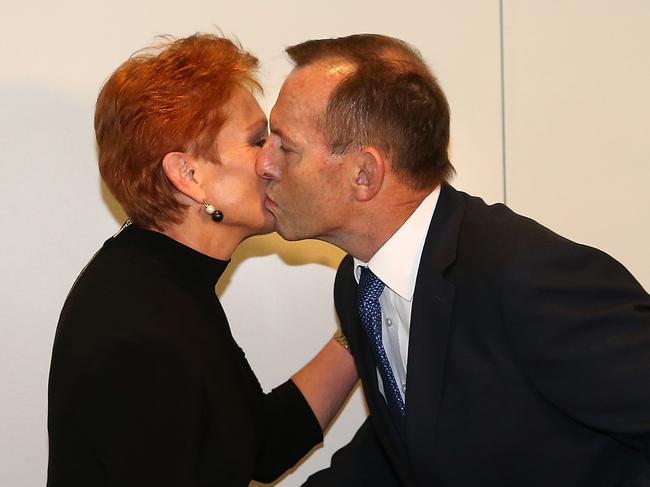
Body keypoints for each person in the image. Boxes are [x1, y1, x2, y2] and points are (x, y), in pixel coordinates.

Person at [256, 34, 650, 486]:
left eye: (285, 147)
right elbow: (406, 452)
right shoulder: (360, 284)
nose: (266, 164)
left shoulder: (521, 275)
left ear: (364, 174)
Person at [47, 33, 357, 487]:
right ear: (188, 175)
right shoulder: (141, 325)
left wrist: (361, 325)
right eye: (257, 141)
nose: (275, 161)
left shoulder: (163, 283)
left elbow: (260, 444)